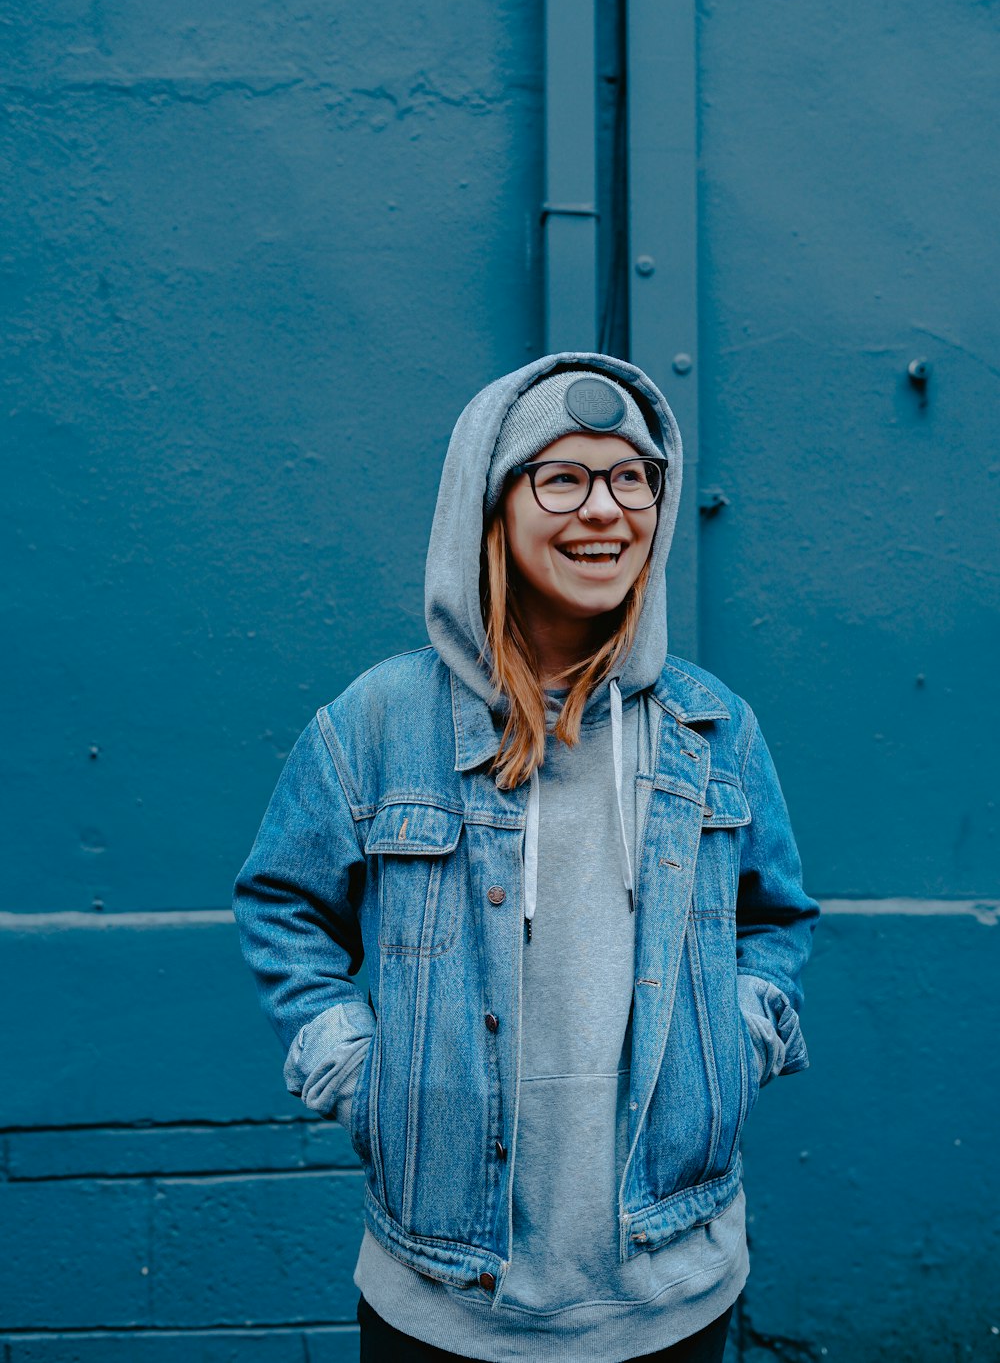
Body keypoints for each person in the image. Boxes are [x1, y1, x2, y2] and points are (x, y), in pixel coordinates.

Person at [233, 352, 819, 1363]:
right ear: (490, 506)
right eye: (564, 478)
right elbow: (283, 905)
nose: (605, 510)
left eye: (630, 477)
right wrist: (362, 1077)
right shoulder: (380, 723)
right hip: (446, 1298)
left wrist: (733, 1041)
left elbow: (775, 921)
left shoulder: (711, 727)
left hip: (673, 1286)